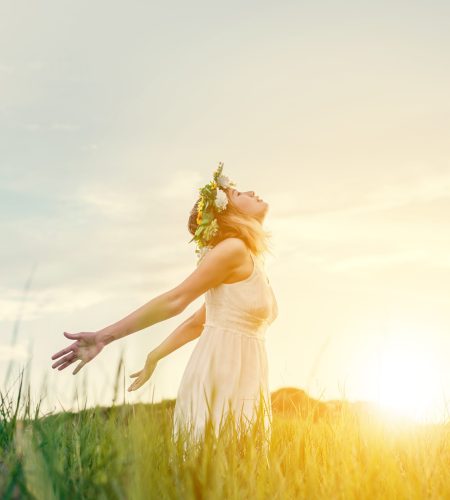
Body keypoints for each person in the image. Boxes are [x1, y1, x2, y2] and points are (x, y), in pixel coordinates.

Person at [50, 162, 278, 451]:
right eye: (236, 193)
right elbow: (175, 300)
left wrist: (155, 355)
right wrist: (104, 336)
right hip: (222, 376)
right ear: (229, 213)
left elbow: (201, 320)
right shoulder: (233, 250)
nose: (251, 191)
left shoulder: (251, 259)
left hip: (247, 377)